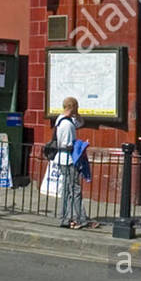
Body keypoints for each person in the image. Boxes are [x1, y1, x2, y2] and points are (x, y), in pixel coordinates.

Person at [54, 96, 96, 229]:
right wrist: (80, 145)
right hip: (68, 161)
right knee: (75, 190)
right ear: (72, 107)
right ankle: (80, 219)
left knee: (67, 189)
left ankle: (66, 217)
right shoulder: (66, 124)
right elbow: (66, 144)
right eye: (76, 107)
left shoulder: (62, 120)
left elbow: (80, 123)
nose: (78, 109)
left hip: (62, 160)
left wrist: (77, 115)